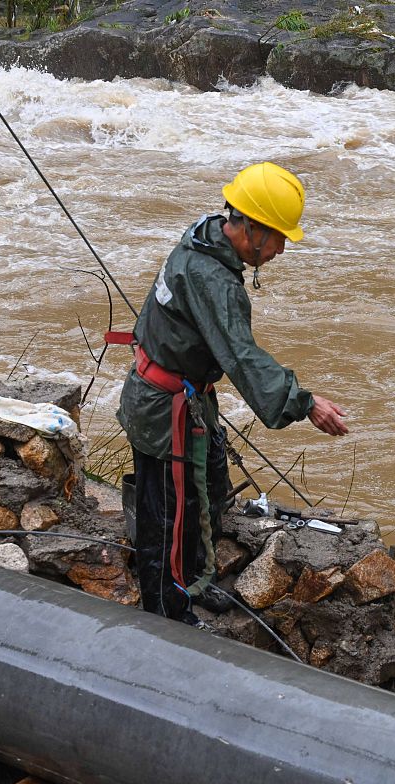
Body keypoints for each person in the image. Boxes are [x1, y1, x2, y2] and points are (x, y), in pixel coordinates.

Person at [117, 162, 349, 627]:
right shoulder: (214, 281)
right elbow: (242, 358)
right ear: (251, 228)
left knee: (206, 493)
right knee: (168, 518)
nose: (282, 249)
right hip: (167, 412)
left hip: (177, 398)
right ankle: (166, 616)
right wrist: (304, 403)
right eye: (279, 237)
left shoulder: (202, 236)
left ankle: (195, 582)